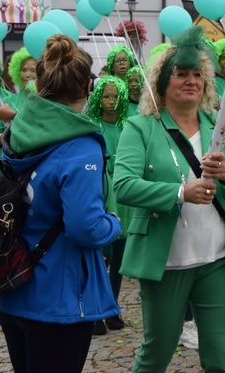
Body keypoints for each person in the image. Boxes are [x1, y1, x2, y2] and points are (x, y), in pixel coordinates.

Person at [113, 26, 225, 372]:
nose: (190, 80)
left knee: (221, 356)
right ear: (163, 81)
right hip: (164, 263)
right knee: (157, 354)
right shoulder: (141, 127)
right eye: (181, 73)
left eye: (197, 74)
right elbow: (124, 185)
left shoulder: (220, 126)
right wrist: (180, 193)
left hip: (217, 261)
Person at [0, 35, 122, 372]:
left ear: (41, 82)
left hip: (11, 280)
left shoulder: (20, 126)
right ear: (88, 86)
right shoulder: (81, 147)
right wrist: (114, 223)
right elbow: (85, 227)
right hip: (55, 295)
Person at [86, 76, 131, 335]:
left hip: (124, 197)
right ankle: (95, 310)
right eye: (105, 96)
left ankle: (113, 306)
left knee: (120, 257)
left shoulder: (128, 126)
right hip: (101, 194)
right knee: (103, 256)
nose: (111, 101)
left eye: (115, 96)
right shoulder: (92, 126)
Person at [0, 47, 37, 148]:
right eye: (24, 70)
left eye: (32, 70)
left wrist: (13, 116)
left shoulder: (50, 100)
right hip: (10, 161)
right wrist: (4, 137)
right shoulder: (8, 100)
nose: (27, 75)